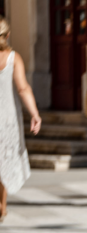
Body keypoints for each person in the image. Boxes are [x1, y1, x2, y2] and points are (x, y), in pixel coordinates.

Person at [0, 18, 42, 222]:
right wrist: (34, 114)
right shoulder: (14, 58)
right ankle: (2, 204)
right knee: (4, 161)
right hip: (7, 118)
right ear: (8, 36)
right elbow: (23, 88)